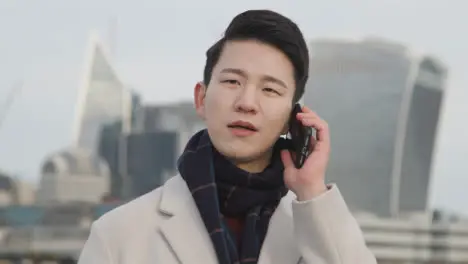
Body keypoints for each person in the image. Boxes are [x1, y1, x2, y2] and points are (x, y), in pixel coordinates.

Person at [77, 9, 377, 264]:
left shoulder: (315, 226)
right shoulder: (117, 235)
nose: (247, 102)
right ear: (201, 98)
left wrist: (311, 190)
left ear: (292, 118)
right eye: (233, 81)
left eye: (270, 89)